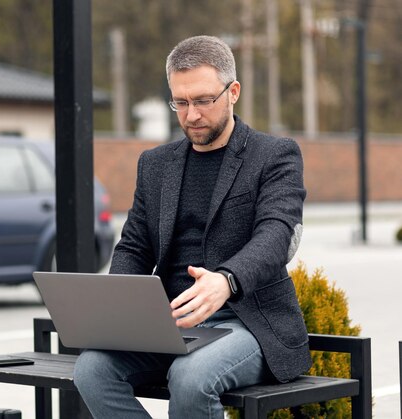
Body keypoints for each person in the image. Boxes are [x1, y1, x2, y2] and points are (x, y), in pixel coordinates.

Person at [73, 35, 312, 418]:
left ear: (233, 92)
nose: (192, 115)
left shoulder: (274, 155)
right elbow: (135, 247)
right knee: (91, 370)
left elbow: (276, 235)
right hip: (169, 324)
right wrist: (118, 310)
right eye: (180, 103)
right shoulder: (155, 164)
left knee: (191, 376)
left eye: (203, 101)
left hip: (247, 324)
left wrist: (226, 280)